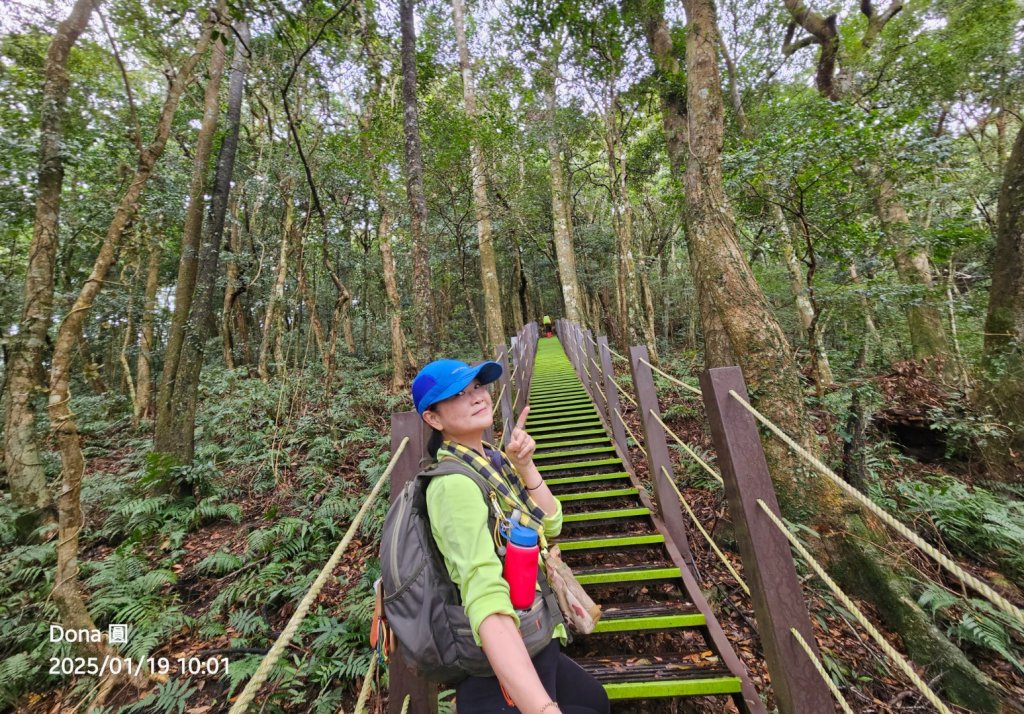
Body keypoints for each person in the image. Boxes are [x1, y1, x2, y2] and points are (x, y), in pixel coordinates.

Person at [412, 359, 609, 714]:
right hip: (500, 665)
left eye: (478, 387)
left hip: (537, 637)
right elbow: (483, 595)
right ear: (433, 419)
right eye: (458, 394)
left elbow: (551, 523)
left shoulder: (492, 462)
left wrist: (525, 465)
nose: (477, 398)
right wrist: (542, 709)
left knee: (593, 700)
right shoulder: (454, 484)